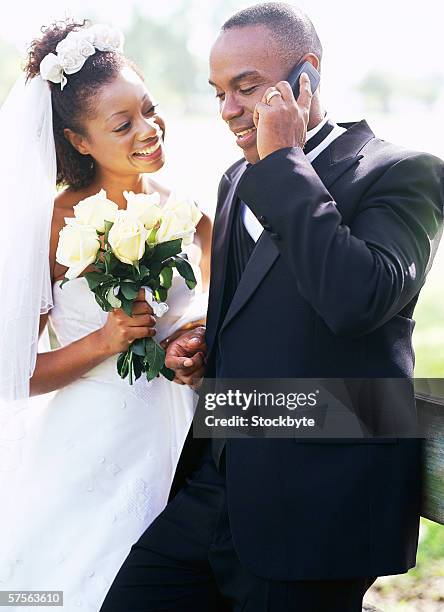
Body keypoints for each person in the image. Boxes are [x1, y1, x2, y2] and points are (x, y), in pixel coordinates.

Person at [100, 3, 444, 612]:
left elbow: (356, 300)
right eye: (219, 92)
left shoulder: (404, 174)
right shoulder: (236, 180)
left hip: (319, 506)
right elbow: (250, 308)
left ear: (305, 77)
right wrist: (205, 351)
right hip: (220, 483)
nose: (228, 109)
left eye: (246, 87)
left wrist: (284, 162)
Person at [0, 18, 212, 612]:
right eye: (124, 124)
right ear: (79, 140)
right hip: (87, 451)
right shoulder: (47, 228)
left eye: (150, 109)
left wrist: (194, 339)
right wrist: (103, 341)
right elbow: (13, 374)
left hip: (182, 442)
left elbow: (215, 315)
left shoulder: (190, 215)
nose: (149, 129)